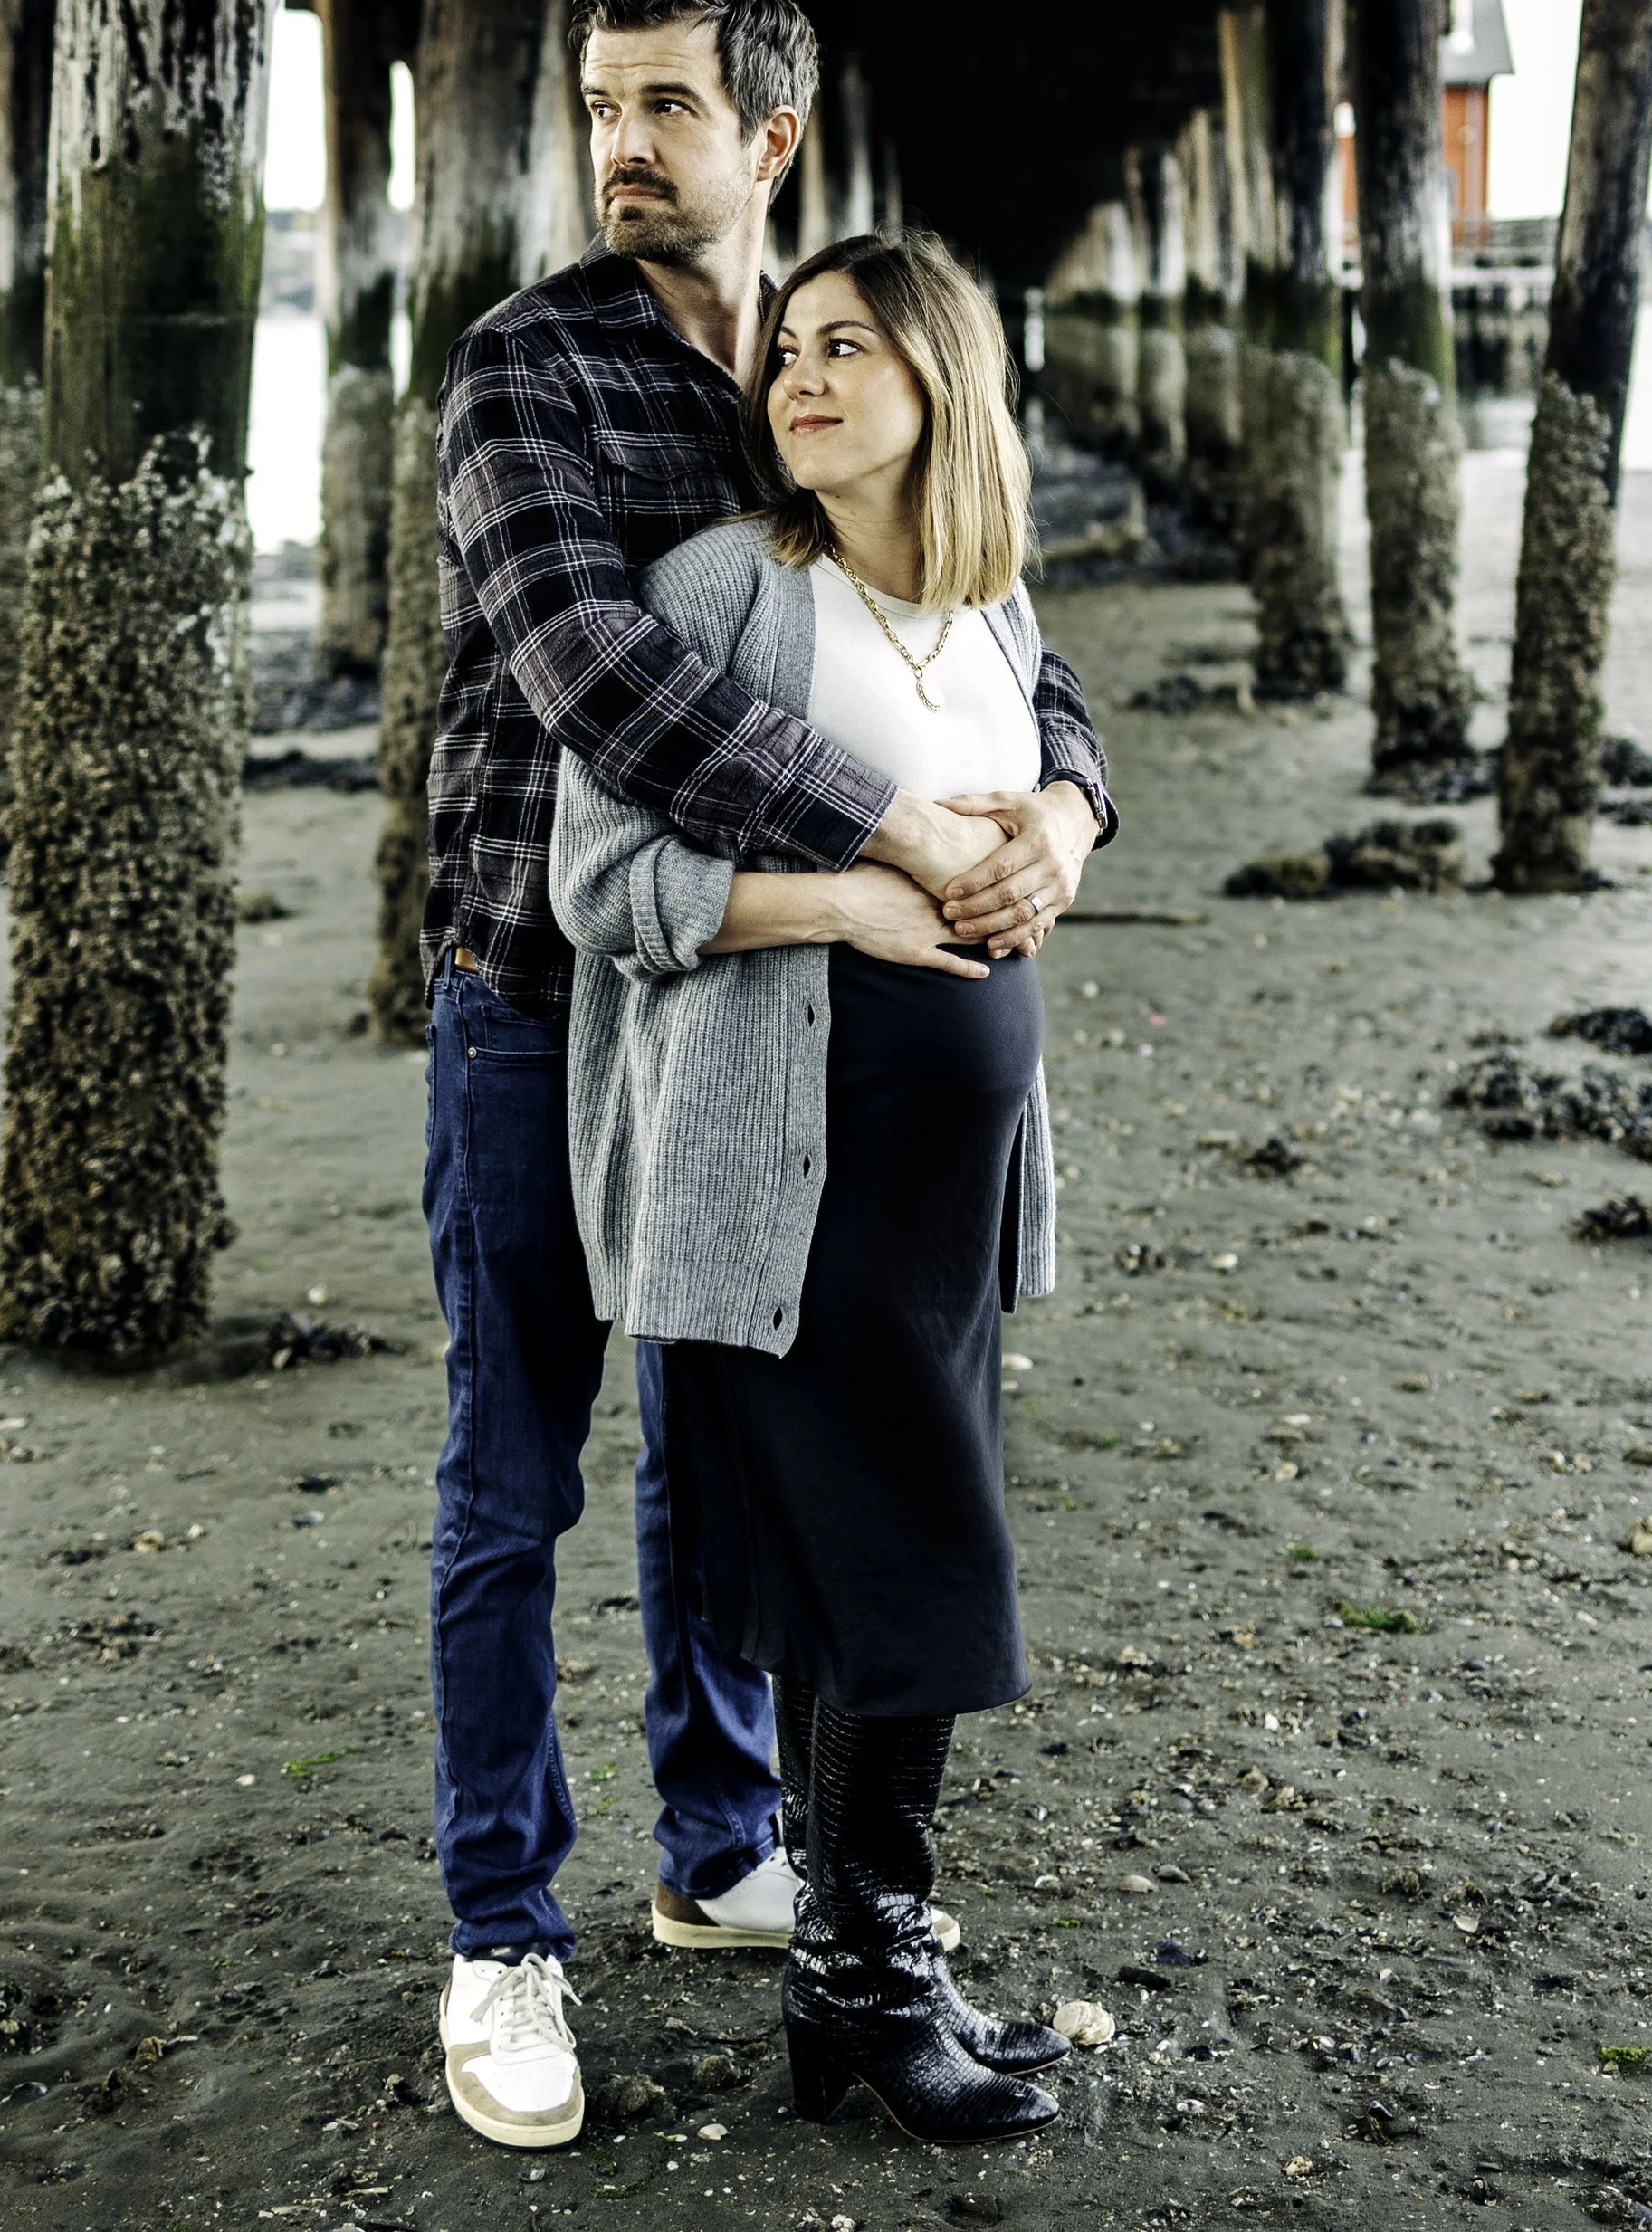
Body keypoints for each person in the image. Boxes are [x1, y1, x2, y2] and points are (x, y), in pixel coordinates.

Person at [423, 0, 1114, 2150]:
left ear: (770, 137)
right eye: (598, 104)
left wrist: (1064, 821)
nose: (622, 145)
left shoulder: (809, 362)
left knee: (717, 1456)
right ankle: (499, 1932)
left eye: (665, 109)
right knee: (514, 1468)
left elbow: (974, 626)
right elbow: (604, 688)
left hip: (768, 1047)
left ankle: (723, 1843)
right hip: (534, 995)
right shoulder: (528, 374)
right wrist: (899, 847)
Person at [551, 229, 1100, 2144]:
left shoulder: (989, 600)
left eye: (844, 345)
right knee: (905, 1564)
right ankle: (873, 1970)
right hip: (789, 1186)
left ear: (939, 380)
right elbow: (599, 890)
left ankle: (851, 1990)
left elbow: (1051, 771)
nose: (795, 375)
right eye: (784, 347)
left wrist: (1055, 830)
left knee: (875, 1564)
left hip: (941, 1202)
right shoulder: (718, 592)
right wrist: (839, 897)